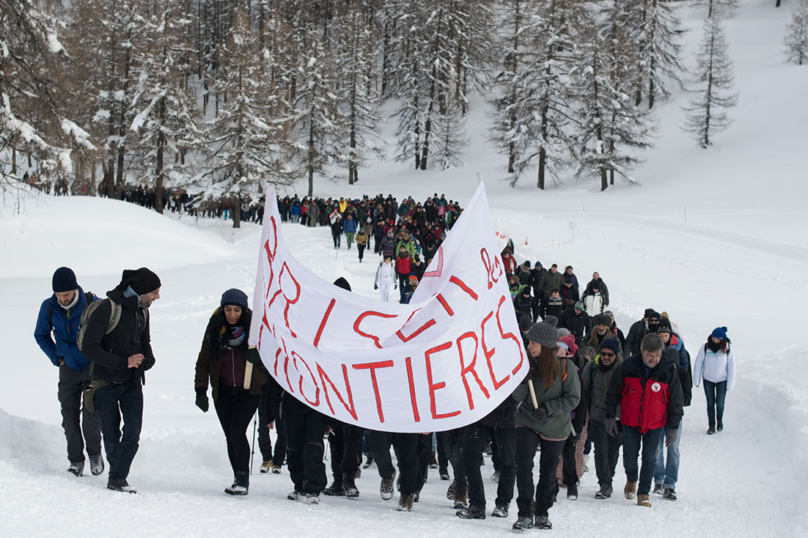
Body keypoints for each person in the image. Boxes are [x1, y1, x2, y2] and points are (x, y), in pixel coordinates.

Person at [81, 267, 161, 493]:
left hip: (133, 382)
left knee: (133, 432)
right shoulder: (107, 309)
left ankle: (116, 476)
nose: (157, 297)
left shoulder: (142, 311)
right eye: (154, 292)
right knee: (111, 434)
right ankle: (117, 478)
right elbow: (89, 347)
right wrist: (122, 362)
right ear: (141, 291)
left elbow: (144, 342)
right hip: (105, 384)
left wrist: (148, 359)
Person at [195, 289, 267, 495]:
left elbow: (272, 361)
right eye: (228, 309)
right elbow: (203, 361)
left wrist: (259, 358)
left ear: (243, 310)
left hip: (248, 391)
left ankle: (243, 478)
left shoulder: (254, 330)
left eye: (237, 310)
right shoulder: (214, 330)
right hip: (223, 392)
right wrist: (200, 390)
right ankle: (238, 477)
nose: (232, 314)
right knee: (230, 436)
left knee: (237, 431)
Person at [34, 267, 103, 477]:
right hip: (68, 371)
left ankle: (94, 455)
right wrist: (57, 358)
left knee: (91, 416)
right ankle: (76, 461)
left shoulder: (93, 304)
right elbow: (41, 335)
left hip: (92, 368)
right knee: (69, 418)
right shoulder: (48, 307)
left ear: (75, 289)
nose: (62, 299)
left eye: (66, 295)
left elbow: (109, 332)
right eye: (58, 295)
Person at [511, 321, 581, 530]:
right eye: (529, 342)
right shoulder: (526, 363)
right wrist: (523, 381)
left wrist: (548, 408)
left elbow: (573, 398)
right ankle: (524, 512)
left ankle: (542, 512)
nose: (529, 347)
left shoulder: (564, 366)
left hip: (555, 424)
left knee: (548, 472)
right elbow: (516, 396)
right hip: (528, 420)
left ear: (546, 346)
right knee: (523, 465)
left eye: (533, 343)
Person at [605, 333, 683, 508]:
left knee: (650, 459)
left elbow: (676, 401)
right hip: (630, 421)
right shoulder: (627, 366)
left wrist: (673, 427)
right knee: (630, 457)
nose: (653, 359)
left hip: (655, 424)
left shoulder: (668, 370)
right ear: (641, 351)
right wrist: (610, 417)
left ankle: (643, 493)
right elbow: (613, 392)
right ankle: (632, 478)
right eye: (650, 355)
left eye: (657, 355)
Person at [652, 323, 692, 500]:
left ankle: (670, 484)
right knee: (657, 448)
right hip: (657, 414)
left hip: (674, 414)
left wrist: (679, 402)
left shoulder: (681, 372)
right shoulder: (656, 371)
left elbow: (686, 395)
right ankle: (659, 480)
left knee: (673, 448)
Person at [581, 339, 623, 499]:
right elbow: (584, 390)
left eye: (610, 355)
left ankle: (609, 478)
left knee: (613, 450)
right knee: (600, 450)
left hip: (617, 417)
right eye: (603, 354)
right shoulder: (591, 368)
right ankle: (604, 483)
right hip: (597, 415)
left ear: (615, 354)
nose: (606, 357)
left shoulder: (622, 369)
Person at [693, 326, 736, 435]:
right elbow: (699, 363)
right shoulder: (705, 347)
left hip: (722, 379)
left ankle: (719, 420)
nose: (715, 340)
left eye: (718, 339)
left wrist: (730, 383)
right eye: (714, 338)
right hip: (708, 379)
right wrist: (696, 380)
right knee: (710, 404)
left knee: (720, 403)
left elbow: (731, 366)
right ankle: (711, 425)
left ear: (722, 339)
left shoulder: (728, 348)